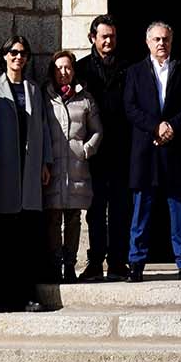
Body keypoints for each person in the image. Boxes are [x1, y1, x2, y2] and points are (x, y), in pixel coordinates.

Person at [123, 20, 181, 279]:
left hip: (175, 149)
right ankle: (136, 263)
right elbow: (130, 107)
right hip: (145, 150)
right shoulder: (134, 72)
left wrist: (171, 127)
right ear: (147, 43)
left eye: (165, 39)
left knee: (179, 209)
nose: (161, 44)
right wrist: (156, 127)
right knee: (141, 209)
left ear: (171, 41)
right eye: (156, 39)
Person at [0, 35, 54, 309]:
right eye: (13, 52)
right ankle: (4, 296)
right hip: (4, 174)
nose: (18, 57)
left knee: (28, 242)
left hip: (30, 173)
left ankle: (27, 295)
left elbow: (44, 127)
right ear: (4, 56)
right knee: (4, 242)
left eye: (23, 53)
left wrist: (46, 161)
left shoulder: (34, 89)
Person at [75, 15, 130, 279]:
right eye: (103, 36)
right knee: (95, 209)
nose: (108, 41)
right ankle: (95, 260)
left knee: (120, 207)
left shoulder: (127, 67)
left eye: (112, 36)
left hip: (120, 147)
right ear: (92, 38)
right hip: (93, 150)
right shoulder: (81, 69)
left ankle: (118, 261)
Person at [43, 48, 102, 283]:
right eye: (59, 69)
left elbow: (98, 130)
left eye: (67, 67)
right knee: (53, 219)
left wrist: (86, 149)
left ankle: (70, 265)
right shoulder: (44, 97)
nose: (63, 73)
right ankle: (55, 265)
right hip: (53, 168)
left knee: (74, 218)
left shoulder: (85, 98)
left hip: (77, 168)